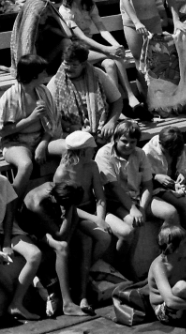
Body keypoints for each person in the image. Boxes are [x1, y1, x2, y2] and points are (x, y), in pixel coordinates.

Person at [52, 130, 111, 315]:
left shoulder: (91, 166)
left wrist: (100, 216)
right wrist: (96, 219)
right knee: (86, 242)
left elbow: (100, 197)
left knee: (104, 238)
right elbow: (66, 207)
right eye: (91, 150)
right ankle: (82, 291)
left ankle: (80, 281)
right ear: (83, 152)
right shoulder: (62, 172)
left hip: (89, 211)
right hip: (71, 214)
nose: (94, 153)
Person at [1, 54, 66, 197]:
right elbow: (2, 132)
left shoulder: (42, 91)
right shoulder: (10, 97)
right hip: (16, 143)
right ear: (33, 75)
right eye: (42, 72)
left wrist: (42, 144)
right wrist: (31, 119)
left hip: (42, 138)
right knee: (26, 165)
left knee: (70, 149)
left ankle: (62, 193)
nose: (45, 74)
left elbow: (53, 122)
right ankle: (12, 206)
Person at [94, 121, 155, 274]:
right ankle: (123, 265)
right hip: (109, 201)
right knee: (129, 227)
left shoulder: (140, 154)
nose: (128, 145)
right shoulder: (104, 153)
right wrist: (133, 209)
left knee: (135, 223)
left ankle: (126, 263)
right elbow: (113, 187)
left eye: (132, 142)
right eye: (124, 141)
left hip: (130, 199)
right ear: (115, 139)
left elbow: (148, 185)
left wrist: (140, 208)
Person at [18, 182, 84, 316]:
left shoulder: (57, 189)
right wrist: (68, 213)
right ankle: (68, 304)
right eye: (66, 206)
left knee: (78, 242)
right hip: (29, 229)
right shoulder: (38, 204)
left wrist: (70, 210)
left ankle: (81, 293)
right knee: (62, 248)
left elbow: (74, 219)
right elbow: (59, 234)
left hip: (45, 225)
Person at [144, 127, 186, 252]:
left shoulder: (178, 146)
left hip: (174, 184)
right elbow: (142, 178)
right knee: (185, 204)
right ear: (161, 144)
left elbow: (182, 168)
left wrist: (182, 174)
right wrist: (156, 177)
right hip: (156, 187)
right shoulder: (147, 152)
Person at [48, 42, 124, 146]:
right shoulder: (56, 82)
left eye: (74, 65)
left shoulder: (97, 75)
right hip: (71, 131)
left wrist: (111, 123)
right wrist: (72, 128)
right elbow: (49, 114)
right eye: (66, 63)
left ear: (83, 64)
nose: (69, 68)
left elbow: (117, 101)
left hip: (101, 128)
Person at [0, 169, 41, 321]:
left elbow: (9, 216)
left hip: (5, 231)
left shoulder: (3, 181)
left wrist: (6, 242)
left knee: (35, 255)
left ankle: (16, 304)